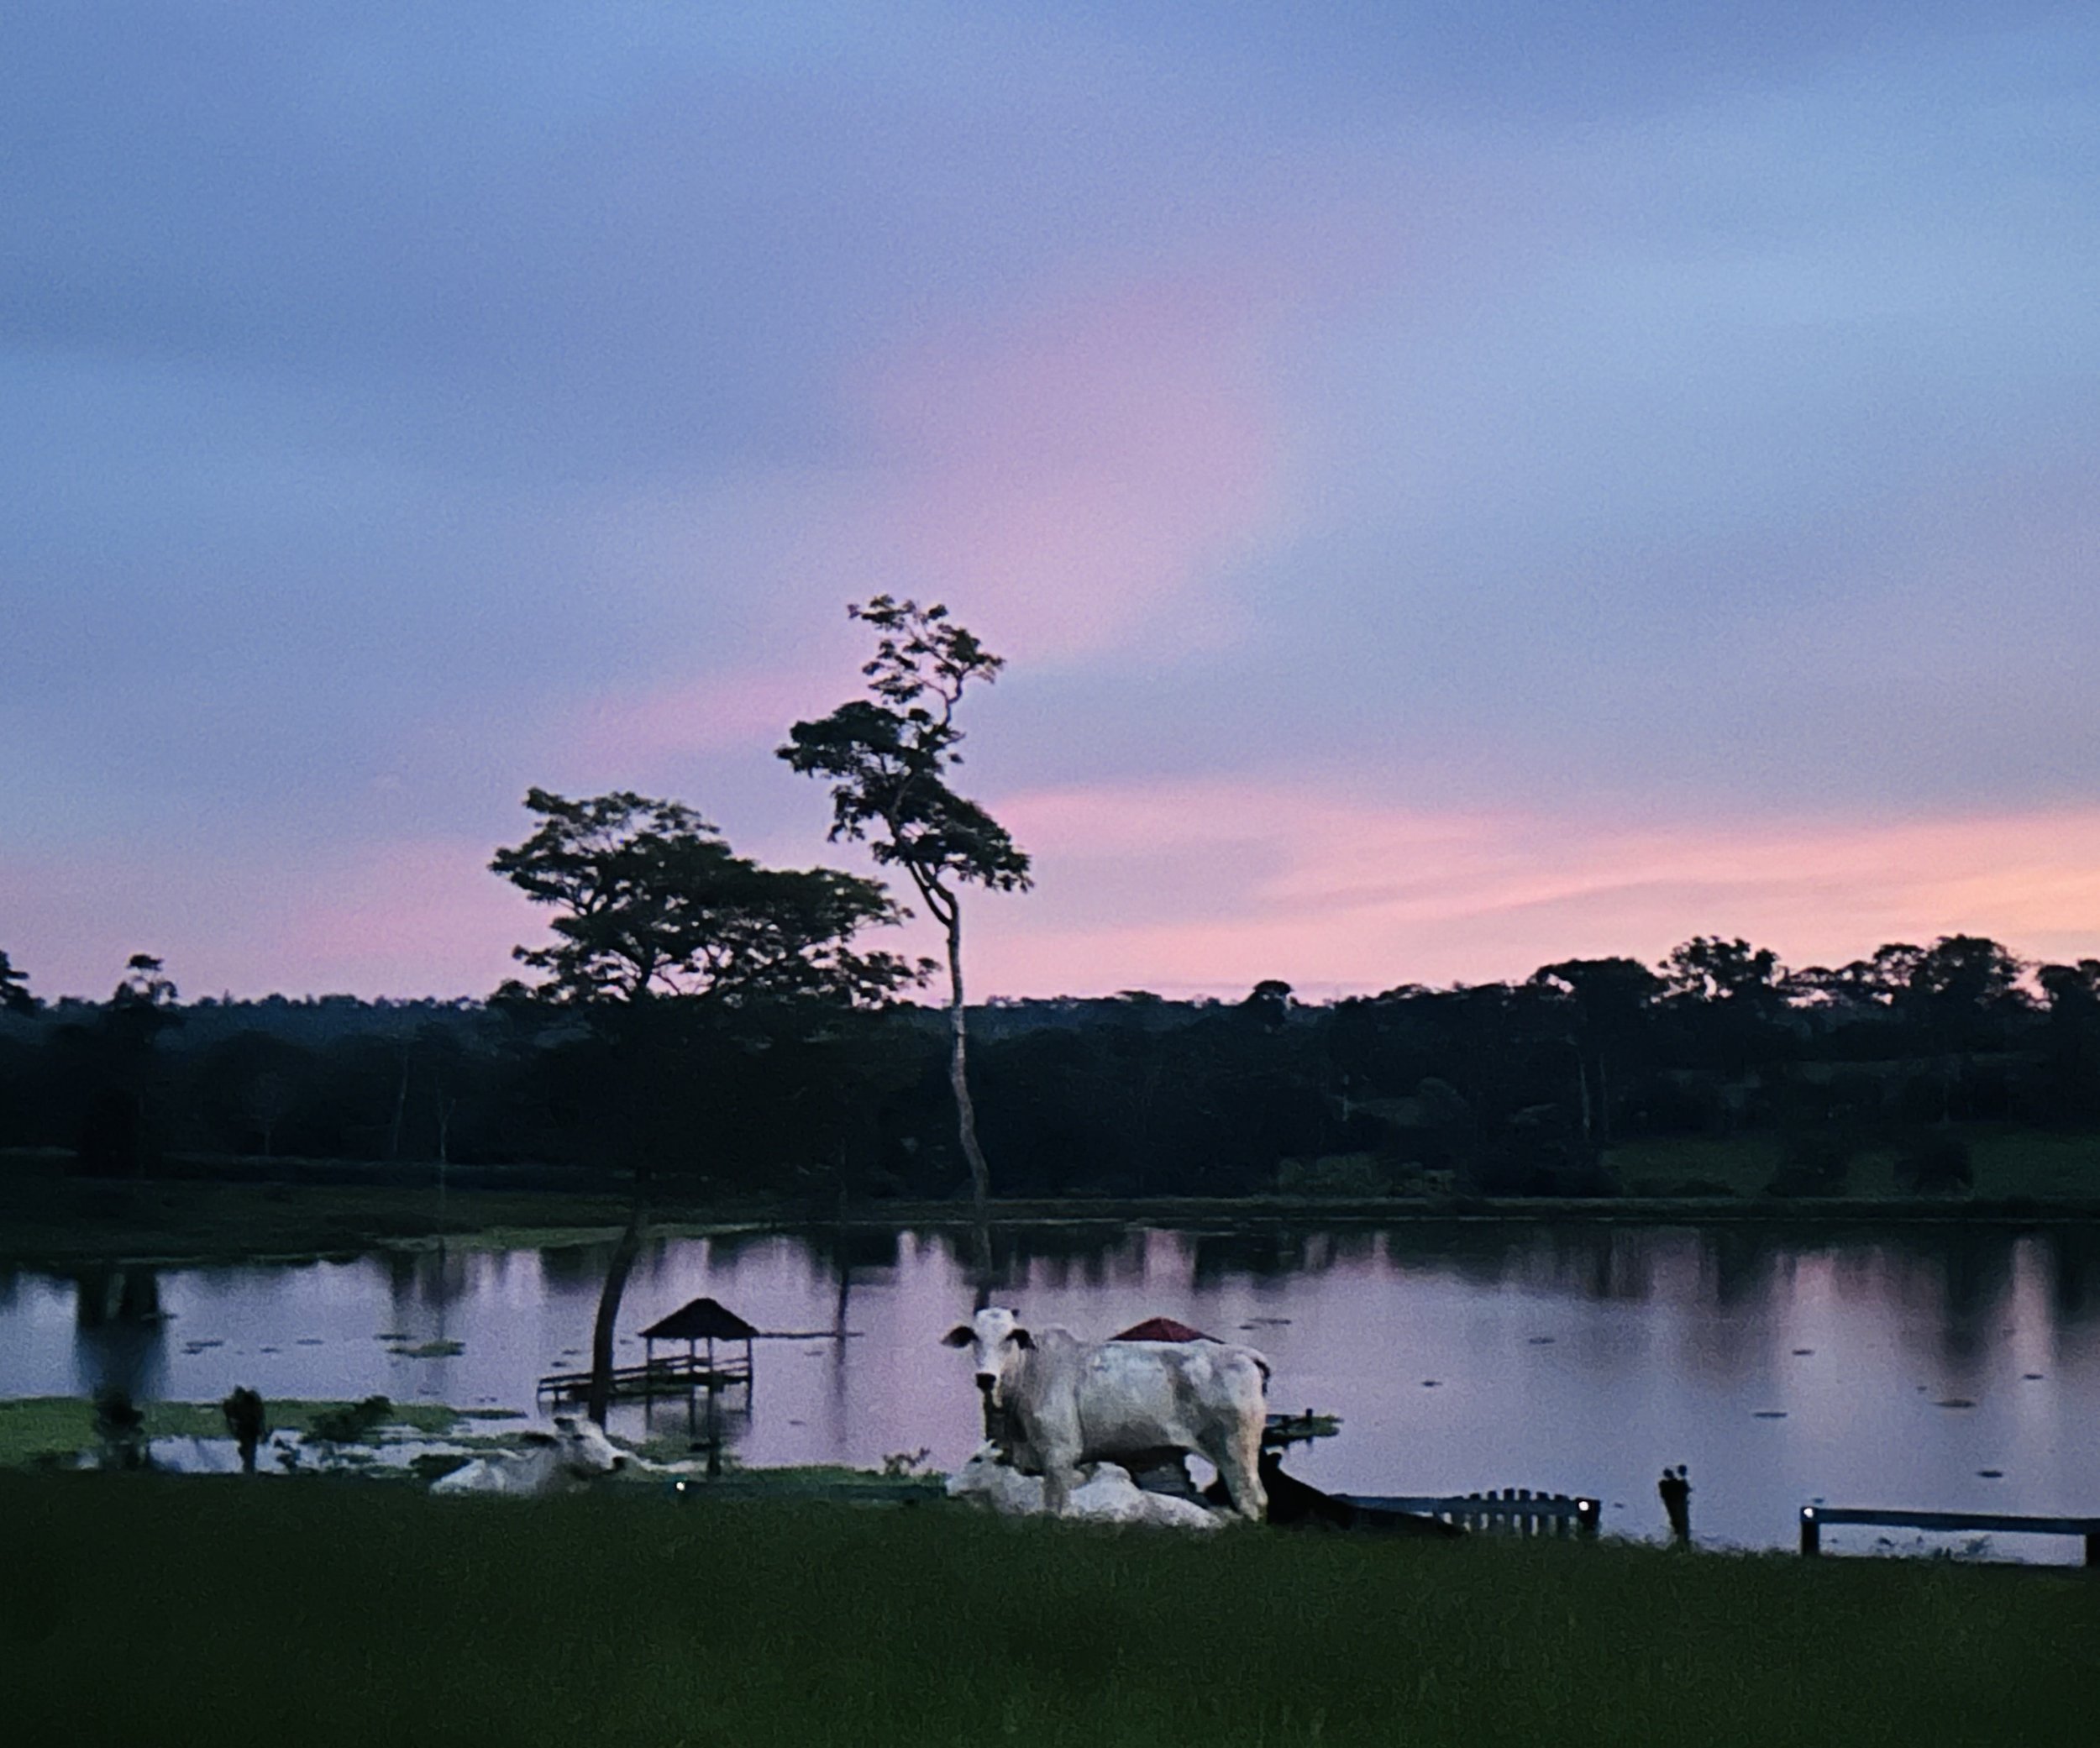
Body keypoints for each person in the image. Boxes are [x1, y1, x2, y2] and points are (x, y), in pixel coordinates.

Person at [1658, 1463, 1692, 1543]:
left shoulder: (1665, 1484)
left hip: (1674, 1502)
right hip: (1677, 1502)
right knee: (1680, 1520)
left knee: (1678, 1520)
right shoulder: (1677, 1484)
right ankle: (1682, 1537)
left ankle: (1680, 1536)